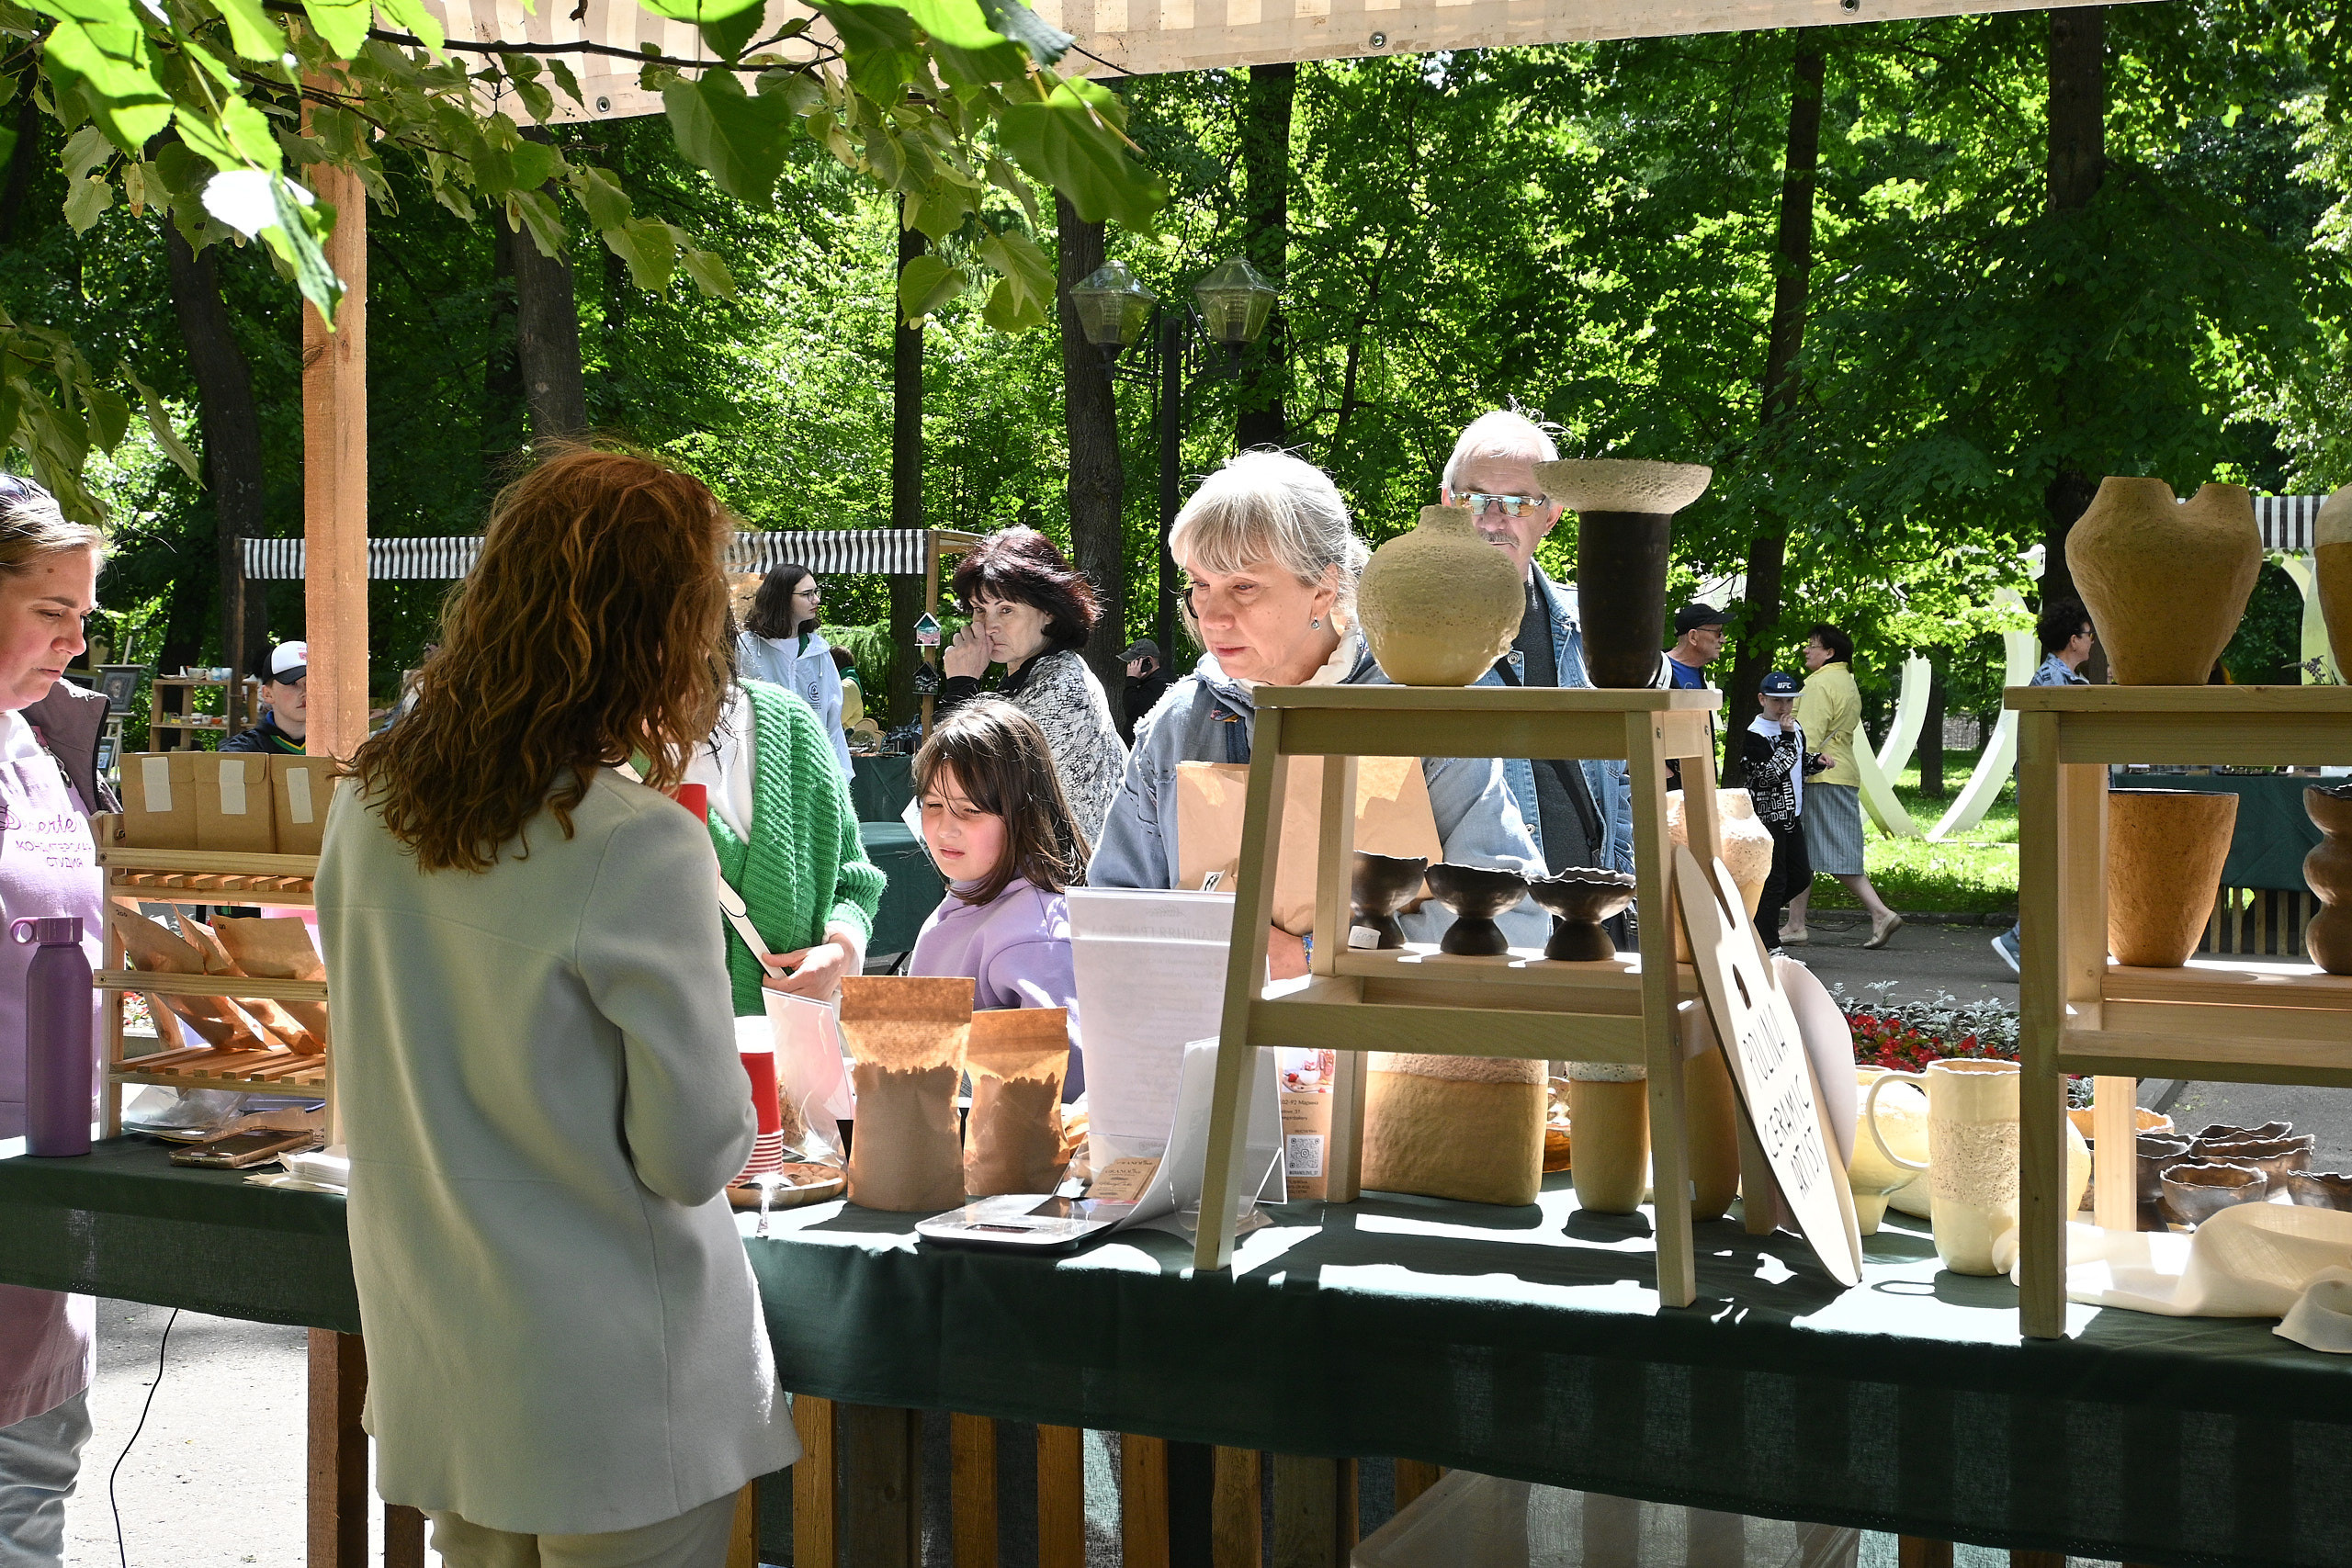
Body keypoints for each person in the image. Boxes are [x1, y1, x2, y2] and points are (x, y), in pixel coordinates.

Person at [317, 447, 796, 1568]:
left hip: (445, 1358)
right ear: (655, 634)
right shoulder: (634, 841)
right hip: (618, 1387)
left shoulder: (367, 806)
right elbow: (691, 1152)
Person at [1090, 451, 1546, 974]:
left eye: (1243, 586)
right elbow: (1112, 918)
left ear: (1323, 591)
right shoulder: (1178, 725)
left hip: (1384, 1027)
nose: (1212, 616)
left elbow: (1515, 919)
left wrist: (1313, 958)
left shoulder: (1417, 712)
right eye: (1200, 584)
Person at [0, 475, 107, 1568]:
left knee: (34, 1478)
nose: (76, 641)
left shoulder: (34, 741)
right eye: (51, 610)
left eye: (84, 614)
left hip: (43, 1194)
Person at [1438, 410, 1628, 875]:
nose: (1493, 519)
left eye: (1518, 502)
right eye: (1474, 498)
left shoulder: (1596, 629)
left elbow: (1624, 779)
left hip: (1594, 910)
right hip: (1473, 913)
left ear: (1552, 515)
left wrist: (1625, 887)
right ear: (1447, 503)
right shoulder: (1399, 637)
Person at [684, 636, 886, 1020]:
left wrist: (840, 952)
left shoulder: (789, 725)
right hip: (665, 1047)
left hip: (796, 1041)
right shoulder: (591, 762)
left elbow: (853, 881)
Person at [910, 699, 1087, 1098]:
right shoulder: (969, 893)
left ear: (1022, 812)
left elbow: (1064, 1087)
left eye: (971, 810)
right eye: (933, 805)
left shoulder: (1034, 936)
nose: (945, 829)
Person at [938, 528, 1127, 847]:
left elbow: (965, 785)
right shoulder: (1031, 674)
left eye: (1006, 610)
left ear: (1049, 612)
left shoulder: (1061, 685)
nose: (989, 626)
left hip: (1072, 873)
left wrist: (961, 685)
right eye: (980, 610)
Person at [1990, 599, 2097, 974]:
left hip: (2067, 789)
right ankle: (2018, 942)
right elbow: (2052, 745)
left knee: (2068, 869)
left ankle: (2050, 949)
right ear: (2072, 640)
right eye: (2088, 634)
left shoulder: (2069, 679)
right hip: (2054, 791)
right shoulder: (2053, 681)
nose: (2092, 640)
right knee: (2054, 869)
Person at [1782, 623, 1902, 950]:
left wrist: (1792, 766)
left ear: (1829, 652)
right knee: (1804, 852)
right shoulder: (1846, 680)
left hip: (1822, 775)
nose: (1806, 649)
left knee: (1837, 851)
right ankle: (1795, 924)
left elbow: (1809, 734)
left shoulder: (1819, 684)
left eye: (1813, 645)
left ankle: (1880, 913)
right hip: (1838, 771)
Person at [737, 564, 854, 782]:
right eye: (807, 594)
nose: (816, 600)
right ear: (781, 598)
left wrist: (841, 776)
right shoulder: (745, 648)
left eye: (816, 592)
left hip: (810, 774)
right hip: (758, 772)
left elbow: (832, 723)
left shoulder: (819, 653)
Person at [1743, 671, 1811, 956]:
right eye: (1777, 701)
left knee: (1801, 876)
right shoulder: (1755, 734)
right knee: (1775, 880)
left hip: (1791, 814)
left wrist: (1816, 762)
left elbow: (1798, 764)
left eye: (1789, 701)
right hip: (1768, 817)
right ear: (1762, 699)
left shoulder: (1795, 728)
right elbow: (1768, 776)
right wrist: (1786, 738)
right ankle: (1769, 943)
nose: (1784, 707)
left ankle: (1756, 918)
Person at [1663, 603, 1728, 793]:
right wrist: (1665, 773)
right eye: (1718, 633)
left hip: (1697, 785)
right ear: (1693, 636)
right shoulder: (1656, 671)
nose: (1723, 640)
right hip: (1667, 788)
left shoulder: (1698, 673)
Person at [223, 640, 307, 752]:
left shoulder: (332, 745)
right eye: (292, 683)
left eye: (312, 683)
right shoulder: (242, 752)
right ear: (267, 694)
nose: (305, 692)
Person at [1119, 637, 1170, 742]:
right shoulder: (1148, 682)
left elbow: (1132, 709)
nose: (1130, 666)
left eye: (1134, 661)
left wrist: (1132, 679)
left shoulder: (1159, 684)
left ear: (1148, 661)